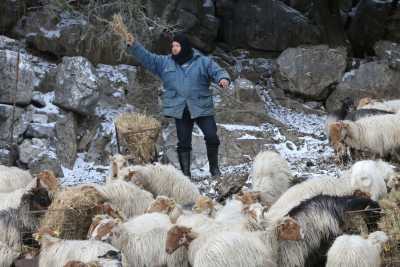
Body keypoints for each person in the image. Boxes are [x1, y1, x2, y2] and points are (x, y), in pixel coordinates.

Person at [124, 31, 231, 178]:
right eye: (173, 45)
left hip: (201, 106)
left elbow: (218, 71)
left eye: (177, 45)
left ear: (185, 47)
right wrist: (134, 45)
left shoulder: (202, 62)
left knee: (212, 136)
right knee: (183, 142)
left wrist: (223, 79)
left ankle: (214, 169)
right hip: (180, 109)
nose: (174, 48)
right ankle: (186, 175)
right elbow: (147, 58)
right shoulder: (165, 62)